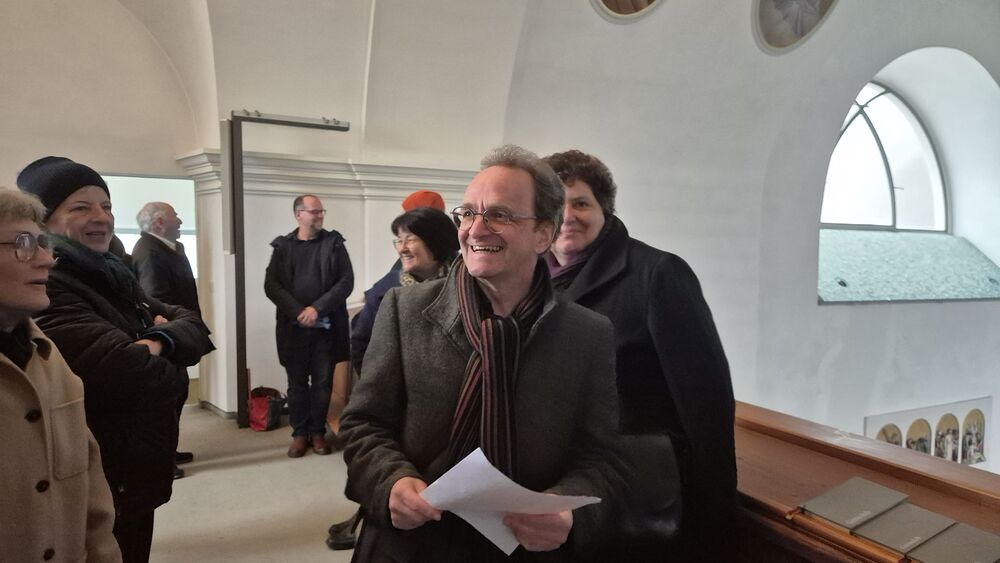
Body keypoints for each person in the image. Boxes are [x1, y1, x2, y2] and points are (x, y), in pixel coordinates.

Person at [340, 145, 628, 562]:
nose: (475, 230)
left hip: (524, 548)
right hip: (414, 545)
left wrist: (568, 512)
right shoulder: (405, 311)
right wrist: (390, 482)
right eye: (468, 214)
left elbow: (602, 457)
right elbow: (364, 423)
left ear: (543, 234)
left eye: (499, 215)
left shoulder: (587, 333)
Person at [17, 156, 215, 563]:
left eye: (106, 206)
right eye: (81, 207)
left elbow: (195, 325)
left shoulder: (111, 272)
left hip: (134, 464)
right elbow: (128, 374)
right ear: (42, 221)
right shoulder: (46, 284)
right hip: (99, 470)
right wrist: (164, 341)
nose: (101, 217)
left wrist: (154, 340)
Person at [542, 149, 737, 560]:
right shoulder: (532, 281)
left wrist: (715, 522)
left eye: (581, 203)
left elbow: (707, 405)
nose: (568, 216)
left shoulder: (657, 274)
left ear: (605, 209)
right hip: (565, 491)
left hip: (638, 491)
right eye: (557, 204)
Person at [0, 188, 122, 563]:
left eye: (43, 245)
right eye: (23, 245)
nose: (47, 261)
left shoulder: (51, 359)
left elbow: (92, 498)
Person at [327, 206, 459, 550]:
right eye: (398, 240)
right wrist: (385, 384)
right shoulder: (386, 293)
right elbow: (359, 343)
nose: (402, 247)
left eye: (410, 239)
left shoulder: (469, 284)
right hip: (405, 411)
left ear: (437, 241)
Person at [264, 194, 354, 458]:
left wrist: (317, 309)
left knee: (323, 383)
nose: (319, 216)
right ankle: (299, 434)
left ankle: (317, 432)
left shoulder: (334, 243)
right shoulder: (282, 247)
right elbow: (272, 285)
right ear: (298, 214)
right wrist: (298, 311)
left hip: (326, 329)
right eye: (314, 211)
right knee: (296, 384)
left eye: (321, 211)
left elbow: (346, 281)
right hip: (293, 329)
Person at [132, 201, 203, 479]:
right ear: (160, 222)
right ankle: (163, 461)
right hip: (167, 337)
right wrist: (175, 330)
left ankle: (169, 451)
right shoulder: (150, 252)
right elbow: (156, 299)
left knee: (176, 396)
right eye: (176, 216)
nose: (181, 221)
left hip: (176, 335)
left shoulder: (168, 248)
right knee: (165, 401)